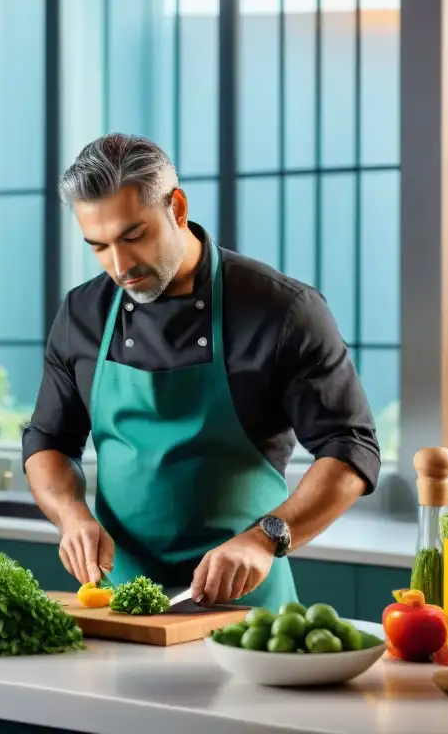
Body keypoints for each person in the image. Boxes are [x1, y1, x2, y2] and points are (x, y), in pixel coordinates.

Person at [22, 134, 381, 609]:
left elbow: (349, 447)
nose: (121, 266)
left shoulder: (282, 310)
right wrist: (71, 516)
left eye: (134, 236)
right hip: (121, 605)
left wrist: (266, 537)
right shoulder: (83, 312)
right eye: (99, 246)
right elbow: (48, 441)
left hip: (246, 610)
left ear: (177, 207)